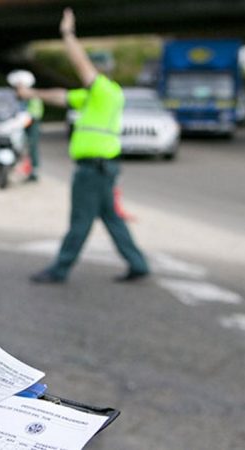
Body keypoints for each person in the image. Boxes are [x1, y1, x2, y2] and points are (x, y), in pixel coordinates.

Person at [16, 8, 150, 284]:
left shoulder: (105, 91)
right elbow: (61, 96)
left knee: (80, 221)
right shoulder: (92, 97)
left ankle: (59, 269)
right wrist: (31, 93)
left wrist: (67, 34)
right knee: (111, 218)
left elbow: (81, 64)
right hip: (101, 168)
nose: (87, 76)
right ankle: (138, 263)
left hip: (93, 170)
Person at [8, 70, 44, 182]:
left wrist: (28, 117)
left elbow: (36, 112)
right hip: (18, 124)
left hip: (32, 123)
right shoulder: (14, 96)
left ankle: (34, 170)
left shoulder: (33, 96)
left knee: (32, 145)